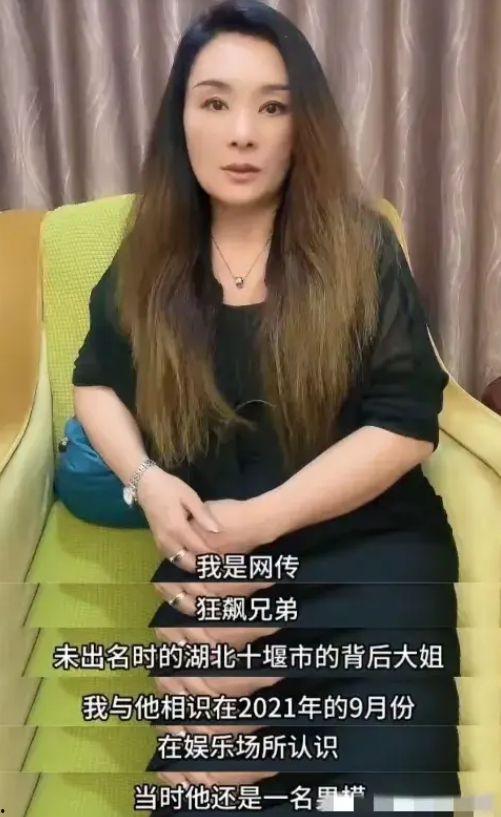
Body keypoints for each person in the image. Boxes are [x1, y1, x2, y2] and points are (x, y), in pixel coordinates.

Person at [72, 1, 460, 814]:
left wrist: (258, 521)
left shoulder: (359, 246)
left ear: (301, 126)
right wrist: (145, 481)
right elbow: (95, 379)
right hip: (222, 570)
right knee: (202, 792)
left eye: (273, 107)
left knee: (389, 796)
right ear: (180, 120)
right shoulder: (151, 255)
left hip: (369, 563)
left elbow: (404, 424)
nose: (242, 133)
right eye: (214, 102)